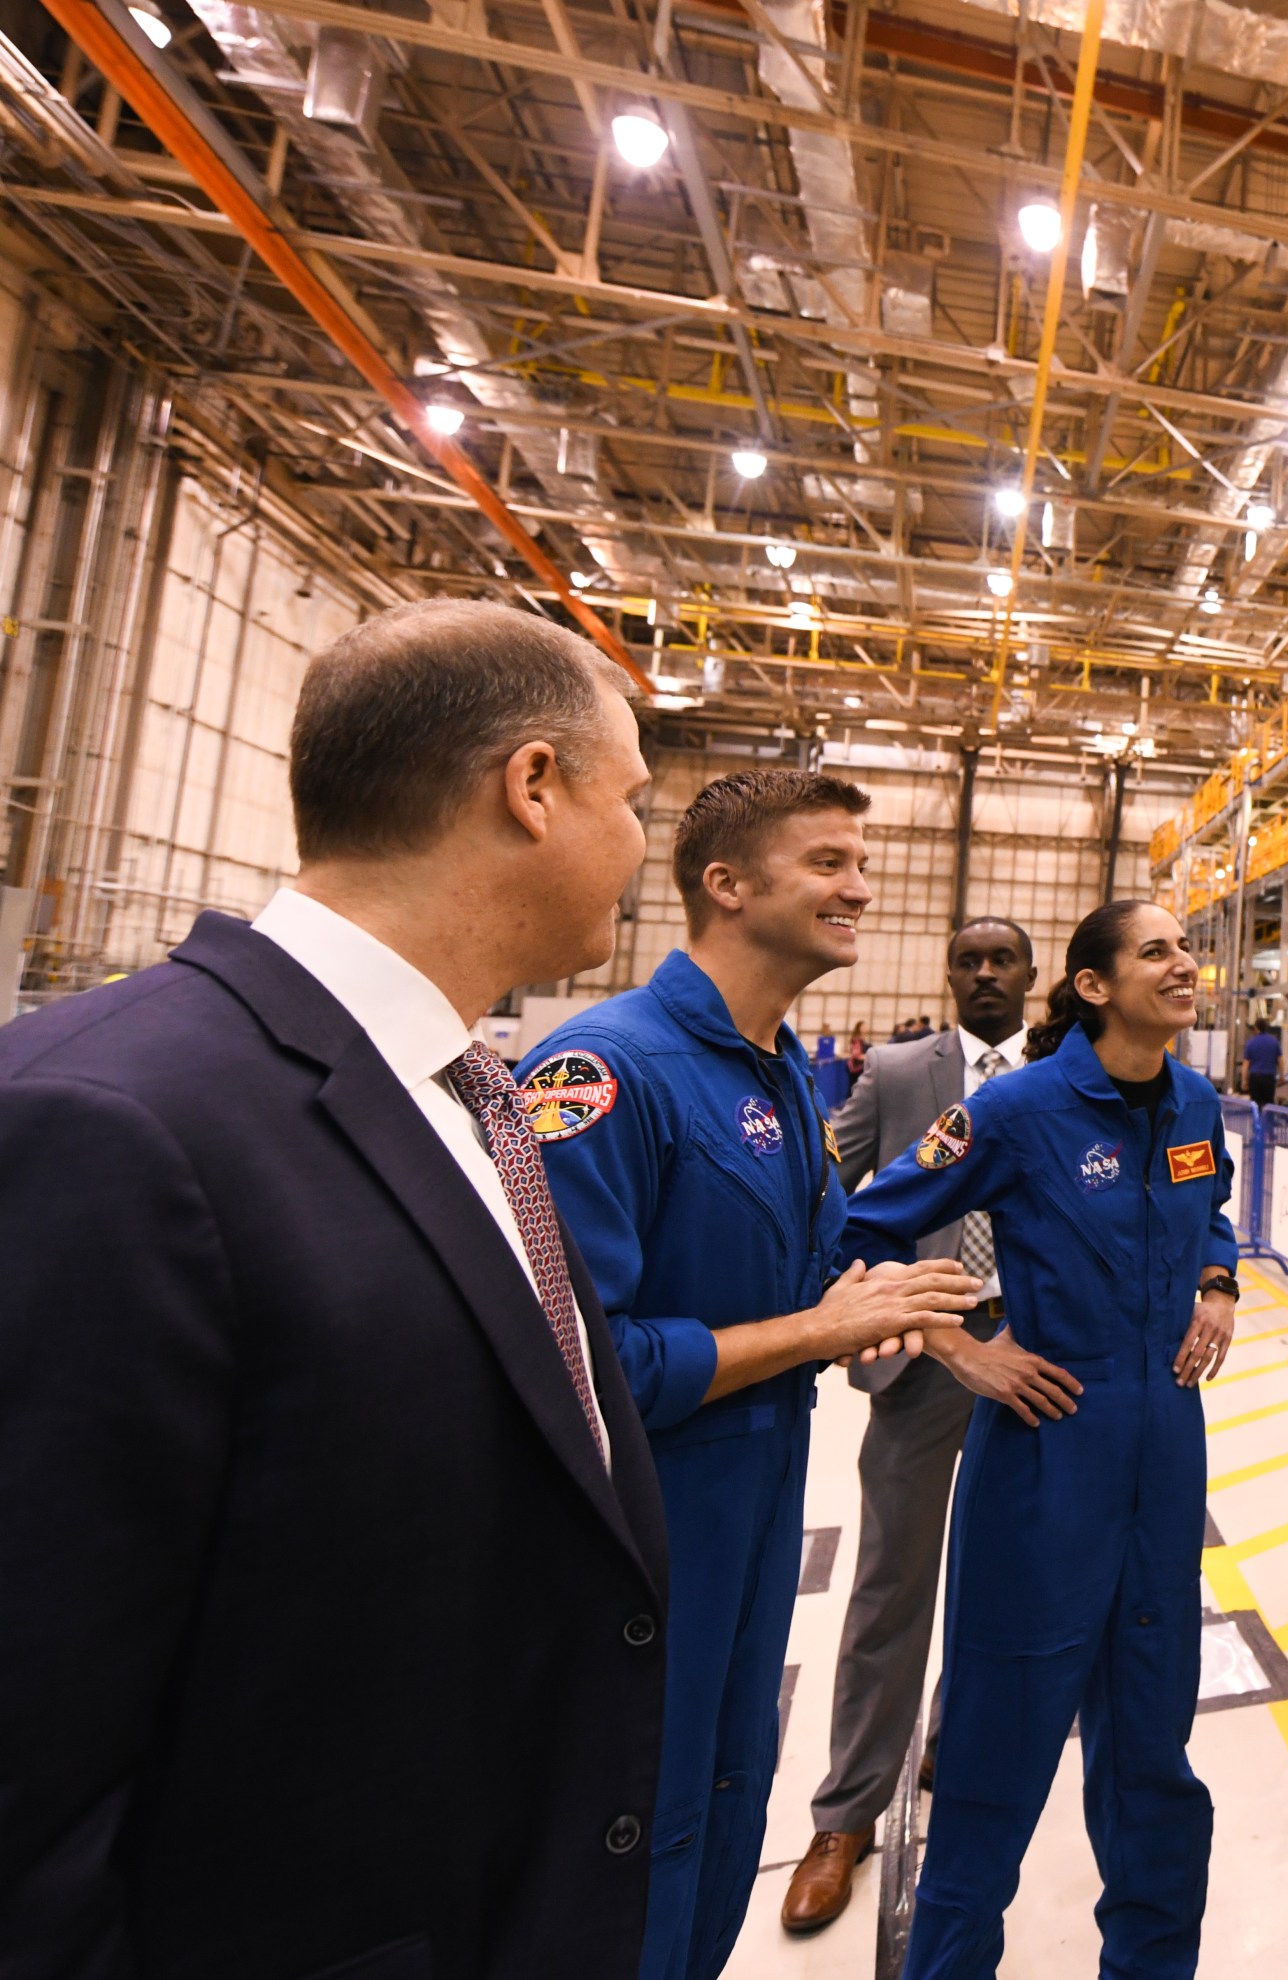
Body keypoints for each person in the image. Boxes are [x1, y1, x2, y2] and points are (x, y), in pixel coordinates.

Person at [0, 601, 671, 1979]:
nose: (639, 848)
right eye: (634, 801)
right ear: (532, 789)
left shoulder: (468, 1098)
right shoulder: (112, 1118)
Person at [519, 770, 982, 1980]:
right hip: (648, 1533)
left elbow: (822, 1259)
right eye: (828, 862)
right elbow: (577, 1363)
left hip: (760, 1500)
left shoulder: (776, 1071)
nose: (861, 887)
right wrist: (815, 1334)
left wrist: (885, 1306)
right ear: (727, 885)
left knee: (726, 1808)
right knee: (640, 1838)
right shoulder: (602, 1072)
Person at [837, 900, 1239, 1980]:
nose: (1183, 963)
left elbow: (1209, 1205)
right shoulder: (1015, 1110)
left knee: (1153, 1755)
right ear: (1096, 987)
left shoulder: (1195, 1098)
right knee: (992, 1756)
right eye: (1155, 950)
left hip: (1163, 1462)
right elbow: (863, 1228)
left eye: (1183, 948)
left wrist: (1216, 1279)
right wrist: (957, 1343)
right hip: (1046, 1457)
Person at [782, 916, 1039, 1932]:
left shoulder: (1067, 1073)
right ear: (949, 975)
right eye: (967, 961)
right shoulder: (894, 1072)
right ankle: (846, 1812)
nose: (983, 974)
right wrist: (854, 1296)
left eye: (1001, 960)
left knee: (1005, 1576)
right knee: (891, 1586)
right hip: (921, 1363)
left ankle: (952, 1739)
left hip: (1034, 1364)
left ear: (1030, 975)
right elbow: (820, 1189)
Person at [1242, 1016, 1282, 1106]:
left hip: (1255, 1079)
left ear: (1256, 1028)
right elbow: (1281, 1061)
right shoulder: (1274, 1042)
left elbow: (1245, 1065)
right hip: (1269, 1078)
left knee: (1255, 1106)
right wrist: (1282, 1076)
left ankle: (1257, 1120)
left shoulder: (1251, 1043)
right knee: (1268, 1106)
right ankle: (1268, 1120)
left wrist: (1244, 1081)